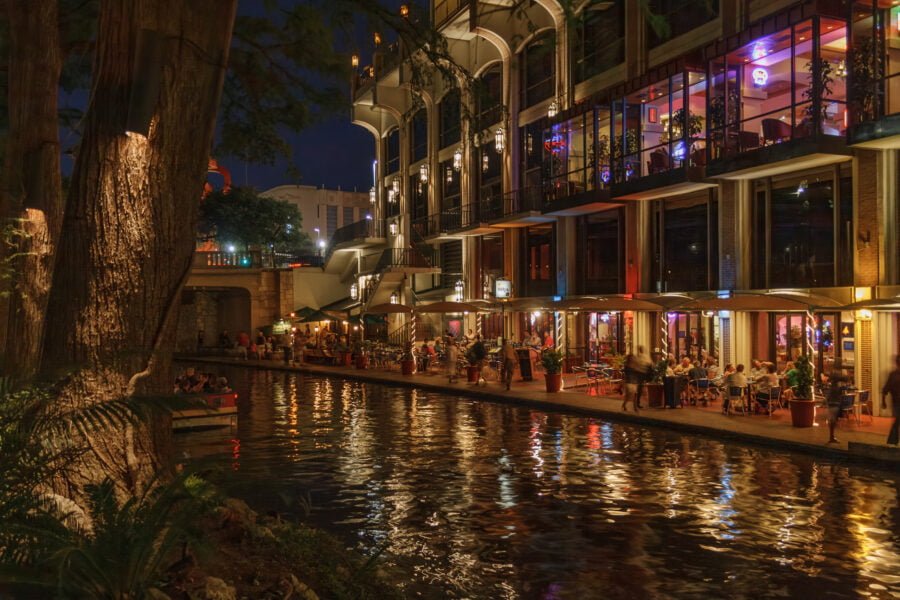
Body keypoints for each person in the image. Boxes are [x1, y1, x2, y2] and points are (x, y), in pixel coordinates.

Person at [826, 358, 850, 444]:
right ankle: (831, 436)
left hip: (833, 397)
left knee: (833, 417)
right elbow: (845, 378)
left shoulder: (833, 372)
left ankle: (831, 436)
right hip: (834, 397)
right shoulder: (836, 373)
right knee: (833, 418)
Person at [881, 355, 900, 445]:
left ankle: (893, 441)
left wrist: (883, 401)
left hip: (896, 403)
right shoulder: (893, 375)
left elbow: (885, 390)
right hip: (896, 403)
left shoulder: (893, 375)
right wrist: (883, 401)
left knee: (897, 421)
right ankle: (893, 440)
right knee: (897, 421)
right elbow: (885, 389)